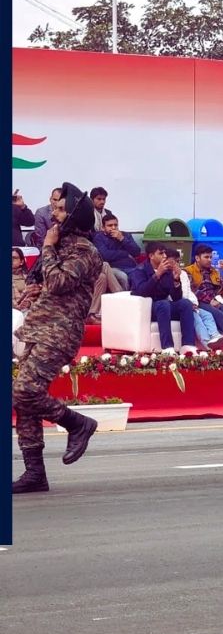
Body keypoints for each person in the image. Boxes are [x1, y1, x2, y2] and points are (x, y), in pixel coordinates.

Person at [12, 182, 104, 493]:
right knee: (24, 400)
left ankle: (77, 423)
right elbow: (44, 282)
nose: (54, 213)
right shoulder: (62, 245)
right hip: (40, 327)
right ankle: (34, 473)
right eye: (55, 206)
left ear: (75, 217)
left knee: (24, 389)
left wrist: (48, 247)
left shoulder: (83, 250)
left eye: (62, 209)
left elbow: (60, 281)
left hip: (59, 332)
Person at [130, 243, 199, 352]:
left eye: (164, 253)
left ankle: (188, 346)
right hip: (147, 308)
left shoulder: (167, 271)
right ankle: (167, 348)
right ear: (151, 256)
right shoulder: (139, 270)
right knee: (163, 304)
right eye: (160, 253)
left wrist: (176, 281)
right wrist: (157, 275)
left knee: (185, 303)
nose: (164, 256)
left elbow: (176, 298)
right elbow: (142, 291)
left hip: (163, 307)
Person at [185, 243, 223, 340]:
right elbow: (191, 290)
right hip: (198, 301)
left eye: (210, 257)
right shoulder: (188, 271)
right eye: (206, 257)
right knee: (217, 313)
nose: (209, 260)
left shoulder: (214, 272)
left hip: (215, 300)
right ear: (197, 258)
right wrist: (210, 300)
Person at [93, 213, 142, 289]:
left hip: (131, 267)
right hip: (113, 268)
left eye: (115, 225)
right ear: (103, 228)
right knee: (123, 277)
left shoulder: (125, 235)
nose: (113, 227)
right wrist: (125, 253)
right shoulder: (99, 238)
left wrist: (122, 239)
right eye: (110, 225)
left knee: (141, 274)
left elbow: (137, 252)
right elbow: (105, 255)